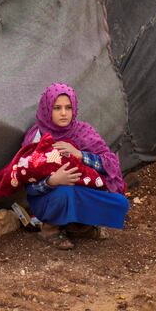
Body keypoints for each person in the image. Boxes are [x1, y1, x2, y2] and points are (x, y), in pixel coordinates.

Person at [23, 83, 129, 249]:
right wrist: (52, 181)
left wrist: (80, 155)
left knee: (119, 203)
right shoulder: (36, 137)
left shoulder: (83, 132)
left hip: (80, 189)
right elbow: (29, 187)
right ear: (47, 109)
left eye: (68, 107)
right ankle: (50, 229)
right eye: (57, 108)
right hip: (50, 197)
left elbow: (110, 164)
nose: (64, 113)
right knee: (65, 193)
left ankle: (78, 227)